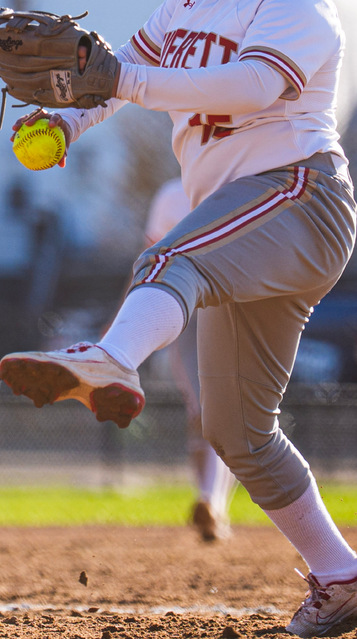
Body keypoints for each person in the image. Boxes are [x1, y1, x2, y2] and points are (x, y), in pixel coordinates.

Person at [0, 0, 357, 635]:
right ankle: (346, 576)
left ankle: (111, 357)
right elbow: (127, 69)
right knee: (236, 431)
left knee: (171, 253)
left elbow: (249, 86)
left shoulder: (298, 4)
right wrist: (71, 120)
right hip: (245, 224)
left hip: (300, 197)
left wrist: (122, 81)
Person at [145, 178, 239, 542]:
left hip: (186, 305)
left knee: (204, 411)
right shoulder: (234, 185)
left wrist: (131, 316)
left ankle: (212, 503)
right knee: (216, 409)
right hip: (214, 304)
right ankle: (212, 502)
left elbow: (146, 264)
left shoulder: (173, 193)